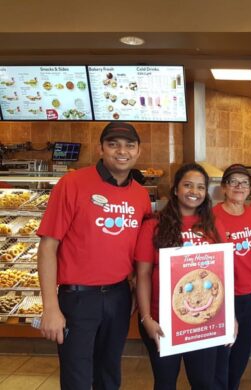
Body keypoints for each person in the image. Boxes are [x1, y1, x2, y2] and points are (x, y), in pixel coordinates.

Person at [37, 122, 151, 390]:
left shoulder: (141, 195)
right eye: (113, 144)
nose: (121, 151)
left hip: (119, 297)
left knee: (109, 374)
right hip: (77, 299)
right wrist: (50, 307)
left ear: (138, 151)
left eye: (129, 145)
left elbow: (136, 250)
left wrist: (133, 288)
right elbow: (47, 247)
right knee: (77, 377)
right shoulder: (72, 183)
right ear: (101, 149)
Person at [135, 162, 227, 390]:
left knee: (204, 382)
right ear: (175, 189)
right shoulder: (154, 225)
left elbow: (222, 274)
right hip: (162, 321)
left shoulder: (213, 226)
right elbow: (143, 274)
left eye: (200, 187)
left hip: (203, 321)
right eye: (188, 185)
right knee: (165, 382)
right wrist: (147, 318)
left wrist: (228, 317)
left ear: (206, 193)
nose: (194, 192)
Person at [213, 164, 251, 390]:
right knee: (222, 352)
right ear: (224, 187)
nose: (239, 187)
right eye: (233, 182)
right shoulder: (212, 216)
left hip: (250, 293)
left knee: (242, 351)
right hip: (223, 296)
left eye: (244, 182)